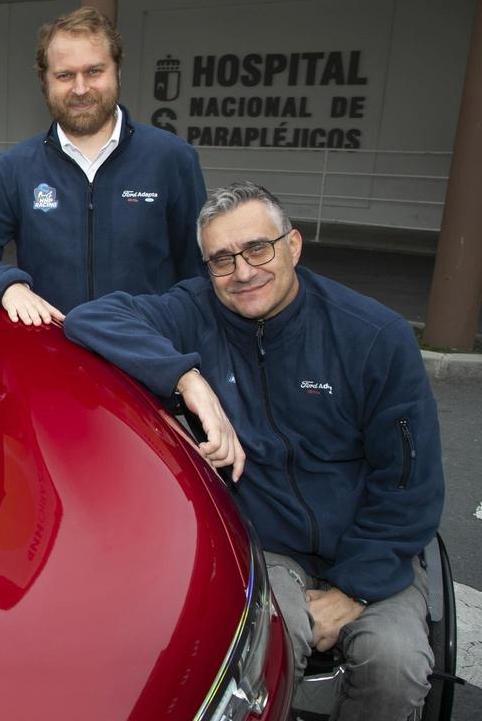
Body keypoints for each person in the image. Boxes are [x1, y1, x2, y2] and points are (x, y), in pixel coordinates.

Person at [63, 182, 443, 720]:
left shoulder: (374, 336)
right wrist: (189, 379)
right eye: (222, 260)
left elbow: (411, 484)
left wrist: (354, 591)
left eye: (258, 249)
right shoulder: (195, 310)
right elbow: (90, 319)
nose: (242, 272)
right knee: (258, 658)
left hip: (372, 544)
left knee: (395, 664)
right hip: (269, 547)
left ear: (293, 246)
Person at [0, 6, 207, 326]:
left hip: (150, 360)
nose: (80, 89)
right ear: (44, 81)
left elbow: (198, 273)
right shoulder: (15, 168)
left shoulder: (172, 159)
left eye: (94, 71)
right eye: (65, 75)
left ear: (117, 71)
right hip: (55, 357)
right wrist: (7, 286)